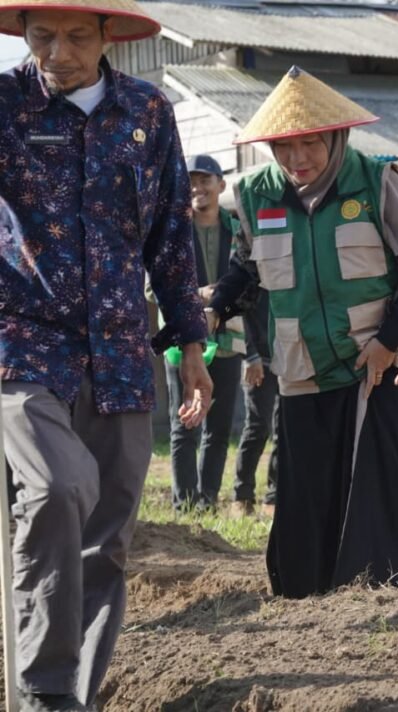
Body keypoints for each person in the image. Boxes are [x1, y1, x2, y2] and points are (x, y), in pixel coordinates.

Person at [0, 0, 212, 708]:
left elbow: (171, 237)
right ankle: (44, 695)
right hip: (23, 343)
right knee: (57, 489)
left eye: (75, 37)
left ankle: (77, 699)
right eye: (42, 36)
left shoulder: (147, 112)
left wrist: (190, 342)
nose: (57, 52)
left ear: (107, 36)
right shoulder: (4, 106)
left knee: (107, 538)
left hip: (121, 351)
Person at [207, 66, 398, 597]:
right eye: (284, 148)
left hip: (374, 366)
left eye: (310, 144)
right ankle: (310, 592)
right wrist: (213, 308)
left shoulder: (374, 180)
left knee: (386, 485)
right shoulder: (254, 197)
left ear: (336, 137)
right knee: (309, 488)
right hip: (301, 371)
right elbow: (245, 274)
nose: (298, 160)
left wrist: (388, 344)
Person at [163, 154, 245, 512]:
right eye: (192, 181)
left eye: (205, 180)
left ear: (220, 185)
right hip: (183, 343)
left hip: (228, 342)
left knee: (219, 429)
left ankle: (207, 502)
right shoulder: (173, 229)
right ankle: (184, 503)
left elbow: (252, 282)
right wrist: (198, 295)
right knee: (184, 424)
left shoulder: (238, 230)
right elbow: (155, 287)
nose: (198, 188)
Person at [231, 287, 279, 516]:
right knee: (258, 427)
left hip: (288, 357)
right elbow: (238, 313)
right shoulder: (247, 263)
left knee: (284, 430)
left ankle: (274, 496)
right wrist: (249, 355)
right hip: (257, 359)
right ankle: (242, 496)